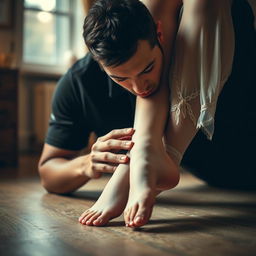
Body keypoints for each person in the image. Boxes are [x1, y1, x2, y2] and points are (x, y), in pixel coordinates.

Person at [38, 0, 256, 227]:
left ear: (159, 32)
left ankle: (154, 156)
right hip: (215, 176)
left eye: (147, 68)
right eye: (120, 78)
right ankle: (148, 155)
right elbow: (48, 172)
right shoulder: (79, 82)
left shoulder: (213, 31)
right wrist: (88, 164)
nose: (140, 87)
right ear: (99, 63)